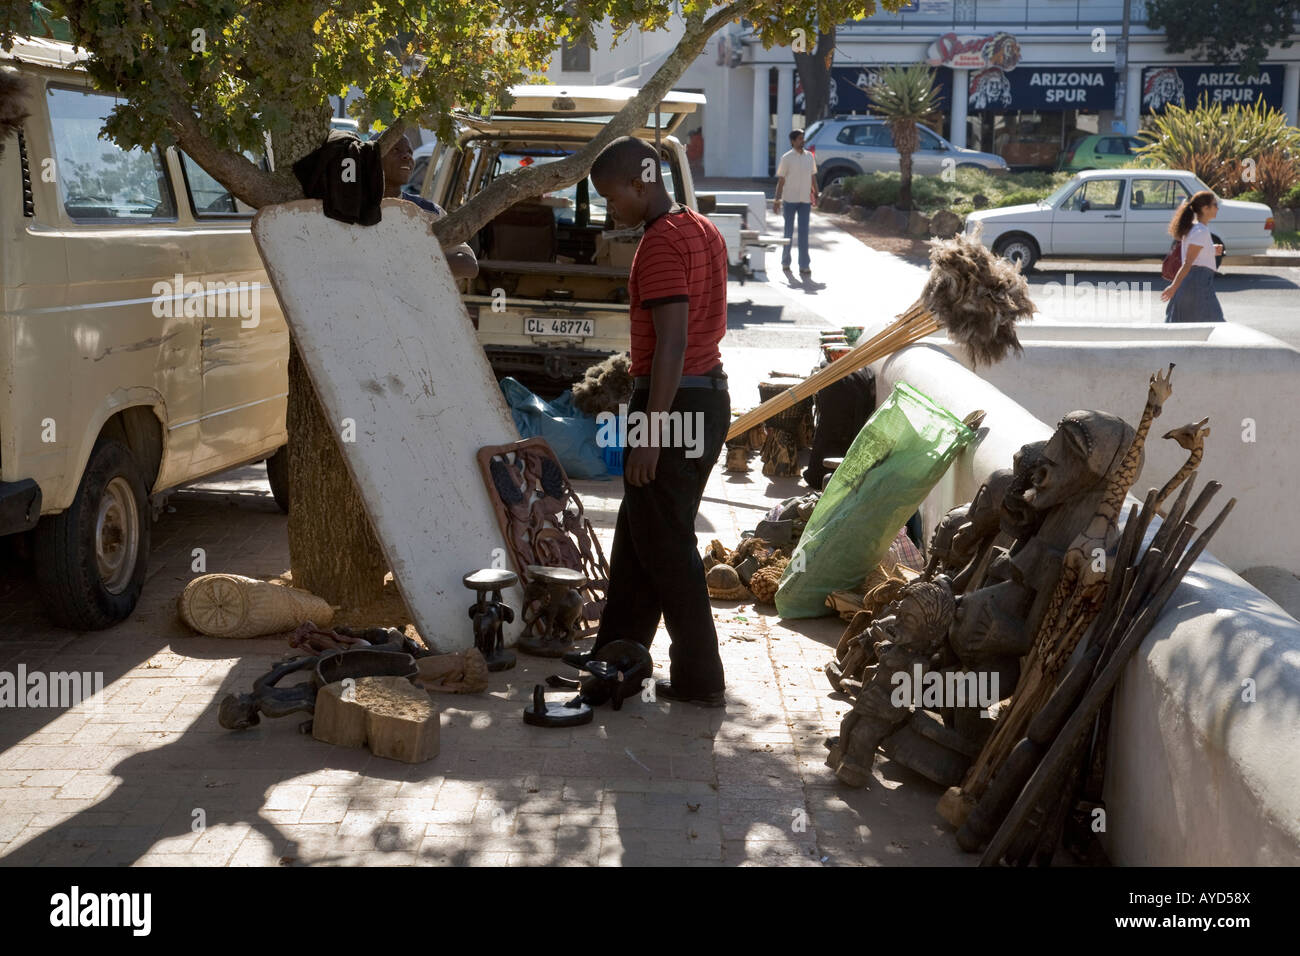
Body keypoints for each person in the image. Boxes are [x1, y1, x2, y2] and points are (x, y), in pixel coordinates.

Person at [567, 136, 730, 707]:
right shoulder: (700, 227)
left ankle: (700, 678)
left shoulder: (659, 244)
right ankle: (617, 655)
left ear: (641, 184)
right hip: (702, 399)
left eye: (612, 199)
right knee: (641, 536)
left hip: (674, 404)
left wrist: (651, 432)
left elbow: (672, 343)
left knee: (666, 545)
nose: (612, 211)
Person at [380, 133, 478, 280]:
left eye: (409, 152)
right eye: (395, 150)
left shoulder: (428, 211)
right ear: (372, 159)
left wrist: (416, 267)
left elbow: (469, 265)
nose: (407, 156)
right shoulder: (349, 209)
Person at [1160, 190, 1224, 322]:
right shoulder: (1200, 231)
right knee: (1214, 323)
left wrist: (1211, 250)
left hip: (1196, 283)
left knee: (1187, 326)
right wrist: (1173, 287)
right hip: (1196, 284)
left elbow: (1196, 256)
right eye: (1214, 205)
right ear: (1205, 209)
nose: (1217, 208)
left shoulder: (1196, 229)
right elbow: (1188, 263)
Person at [774, 129, 818, 277]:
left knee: (804, 233)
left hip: (805, 200)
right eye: (799, 139)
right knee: (788, 232)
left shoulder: (809, 157)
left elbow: (813, 176)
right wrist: (777, 199)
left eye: (803, 138)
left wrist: (816, 192)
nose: (802, 141)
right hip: (789, 200)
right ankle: (785, 261)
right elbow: (781, 180)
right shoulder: (786, 158)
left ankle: (804, 264)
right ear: (793, 141)